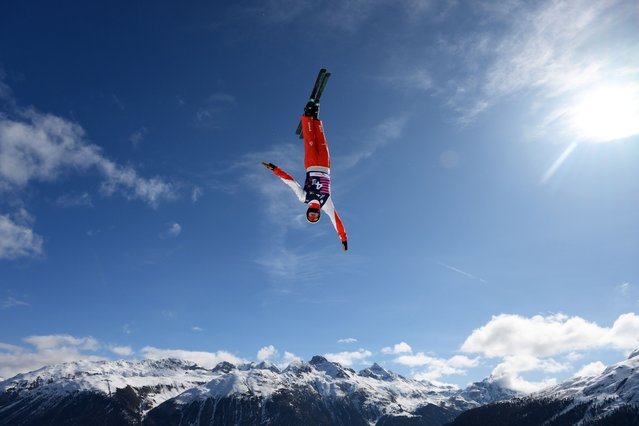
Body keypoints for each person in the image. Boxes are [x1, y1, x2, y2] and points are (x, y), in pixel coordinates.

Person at [262, 100, 348, 251]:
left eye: (311, 217)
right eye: (315, 217)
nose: (313, 215)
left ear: (308, 213)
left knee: (309, 142)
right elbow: (336, 221)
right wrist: (343, 238)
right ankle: (315, 119)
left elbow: (291, 183)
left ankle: (307, 117)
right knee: (321, 140)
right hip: (325, 166)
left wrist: (275, 169)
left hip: (311, 165)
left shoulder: (304, 198)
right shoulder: (325, 204)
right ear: (319, 215)